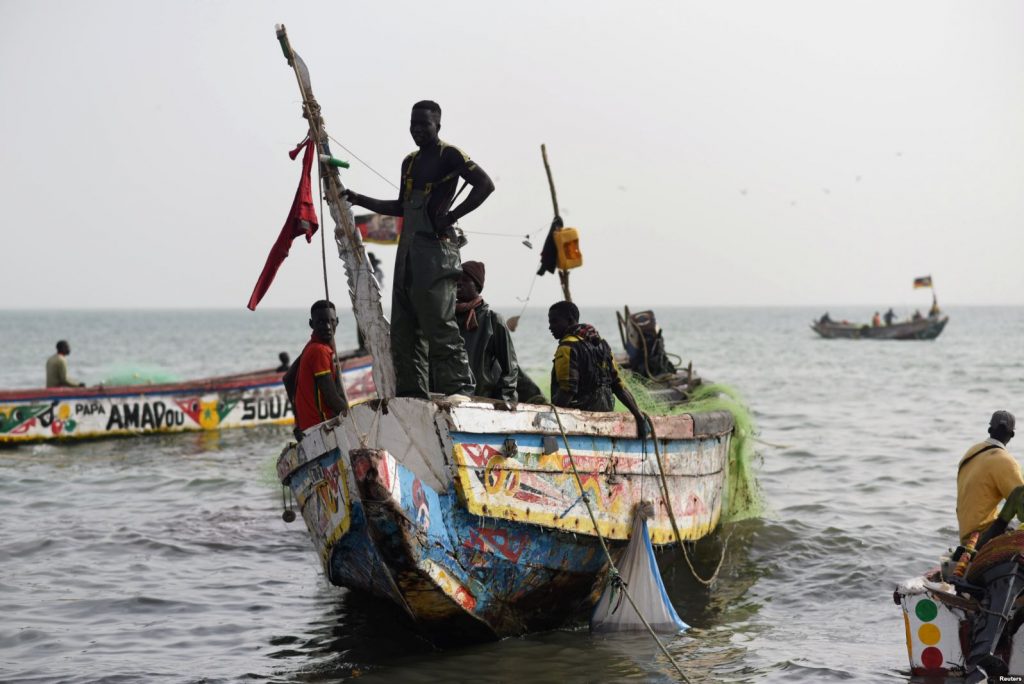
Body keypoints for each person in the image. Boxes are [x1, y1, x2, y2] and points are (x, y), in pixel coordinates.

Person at [343, 100, 494, 399]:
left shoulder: (449, 155)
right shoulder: (409, 162)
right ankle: (412, 394)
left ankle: (459, 391)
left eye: (424, 124)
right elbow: (400, 206)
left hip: (437, 251)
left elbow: (485, 185)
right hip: (409, 250)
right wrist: (360, 199)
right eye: (413, 124)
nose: (417, 130)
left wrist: (451, 216)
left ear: (438, 124)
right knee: (404, 324)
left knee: (438, 322)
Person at [955, 410, 1024, 681]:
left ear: (990, 428)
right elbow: (1020, 500)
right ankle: (997, 645)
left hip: (968, 536)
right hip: (986, 536)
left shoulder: (972, 453)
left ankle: (1002, 634)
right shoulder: (1002, 461)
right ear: (1012, 435)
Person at [547, 301, 648, 438]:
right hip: (605, 415)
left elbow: (568, 391)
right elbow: (618, 387)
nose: (550, 327)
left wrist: (551, 424)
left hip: (578, 421)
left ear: (570, 320)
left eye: (554, 321)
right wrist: (639, 417)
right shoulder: (602, 345)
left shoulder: (567, 347)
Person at [453, 261, 519, 401]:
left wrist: (503, 399)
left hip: (481, 398)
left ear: (477, 286)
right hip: (450, 396)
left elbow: (510, 368)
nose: (459, 283)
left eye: (465, 280)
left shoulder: (492, 320)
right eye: (456, 279)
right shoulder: (446, 318)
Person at [283, 301, 349, 439]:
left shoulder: (311, 346)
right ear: (311, 324)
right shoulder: (319, 351)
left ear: (337, 321)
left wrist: (298, 422)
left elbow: (288, 378)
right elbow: (332, 399)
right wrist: (353, 417)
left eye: (331, 321)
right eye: (321, 322)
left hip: (307, 428)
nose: (327, 327)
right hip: (319, 428)